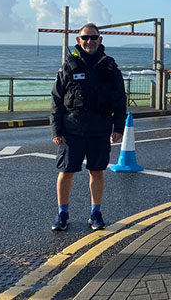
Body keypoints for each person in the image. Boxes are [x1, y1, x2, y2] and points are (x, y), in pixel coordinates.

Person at [50, 23, 126, 232]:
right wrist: (56, 130)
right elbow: (56, 99)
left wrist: (118, 127)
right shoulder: (68, 65)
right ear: (78, 40)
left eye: (93, 38)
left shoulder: (109, 66)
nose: (89, 42)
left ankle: (96, 213)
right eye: (85, 38)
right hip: (72, 129)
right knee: (66, 172)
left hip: (100, 129)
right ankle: (62, 214)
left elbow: (120, 99)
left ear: (100, 40)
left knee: (97, 171)